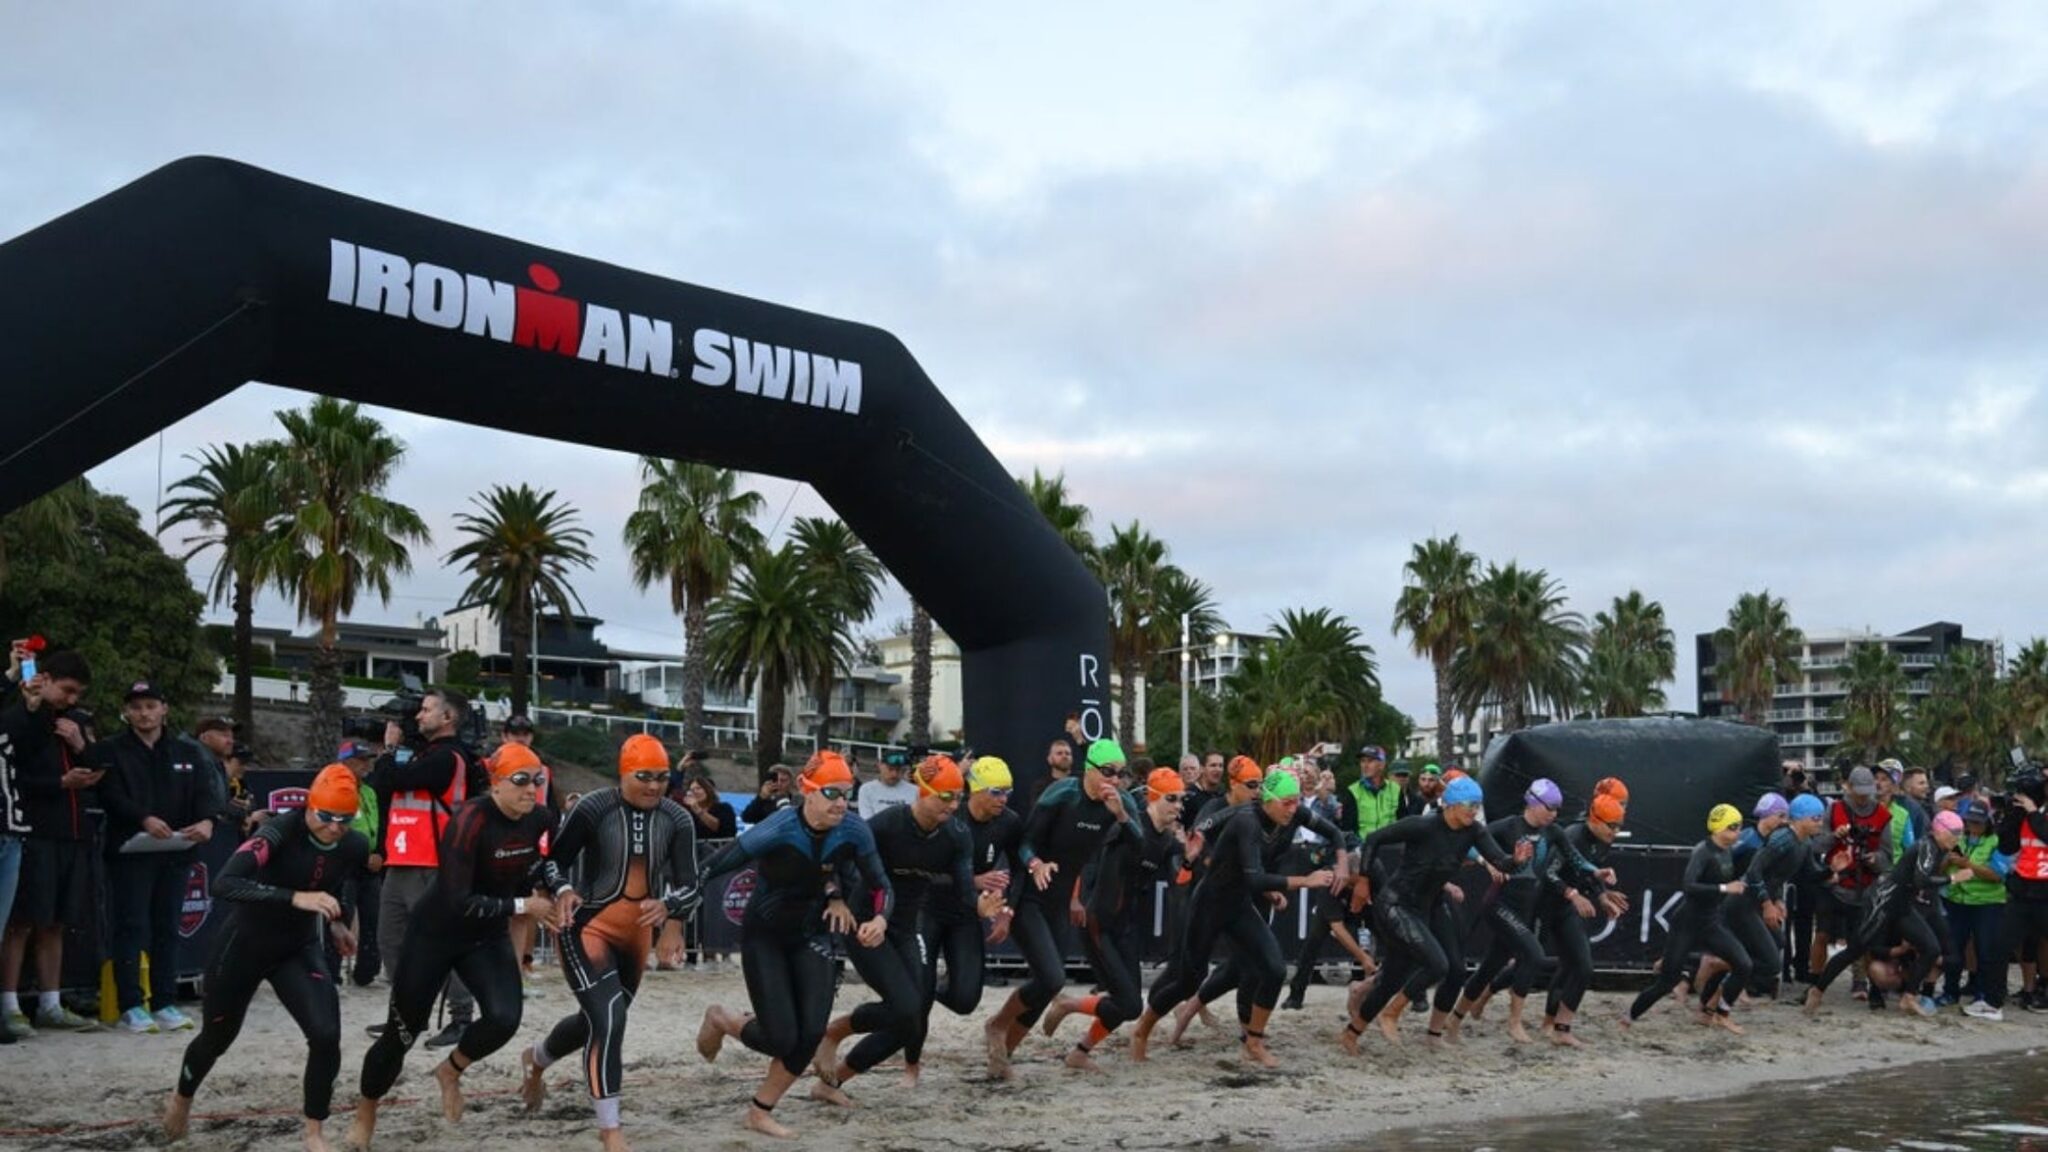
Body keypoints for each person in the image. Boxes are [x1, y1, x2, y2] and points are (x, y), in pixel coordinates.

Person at [349, 742, 562, 1149]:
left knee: (504, 1018)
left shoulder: (539, 818)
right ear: (496, 784)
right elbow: (456, 899)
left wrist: (559, 888)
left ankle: (450, 1070)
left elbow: (536, 865)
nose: (530, 789)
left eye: (537, 780)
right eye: (520, 780)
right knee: (403, 1032)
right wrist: (524, 904)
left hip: (484, 935)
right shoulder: (470, 818)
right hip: (436, 933)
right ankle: (366, 1109)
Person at [164, 764, 369, 1152]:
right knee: (217, 1036)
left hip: (296, 947)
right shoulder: (279, 831)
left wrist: (339, 921)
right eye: (326, 818)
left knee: (326, 1036)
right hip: (245, 944)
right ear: (310, 806)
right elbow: (225, 883)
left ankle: (314, 1132)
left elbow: (339, 879)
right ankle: (182, 1097)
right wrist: (294, 898)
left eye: (345, 820)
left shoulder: (353, 844)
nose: (335, 828)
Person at [693, 750, 890, 1139]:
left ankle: (759, 1110)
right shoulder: (779, 827)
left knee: (810, 1034)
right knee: (782, 1037)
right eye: (831, 793)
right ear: (808, 791)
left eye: (846, 794)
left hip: (811, 934)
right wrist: (672, 907)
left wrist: (879, 918)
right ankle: (722, 1019)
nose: (840, 803)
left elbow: (880, 883)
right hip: (765, 935)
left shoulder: (854, 830)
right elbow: (717, 865)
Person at [522, 735, 701, 1152]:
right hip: (588, 927)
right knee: (609, 1018)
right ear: (623, 774)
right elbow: (550, 864)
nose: (654, 787)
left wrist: (673, 917)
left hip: (637, 934)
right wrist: (564, 889)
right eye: (644, 777)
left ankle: (537, 1058)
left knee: (596, 1020)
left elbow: (692, 882)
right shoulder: (594, 807)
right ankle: (611, 1133)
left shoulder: (678, 818)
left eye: (662, 778)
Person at [1137, 767, 1345, 1066]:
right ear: (1268, 800)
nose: (1293, 808)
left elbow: (1335, 833)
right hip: (1209, 904)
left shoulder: (1293, 813)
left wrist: (1342, 865)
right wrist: (1305, 880)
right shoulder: (1246, 821)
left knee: (1273, 969)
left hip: (1239, 905)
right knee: (1187, 980)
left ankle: (1253, 1042)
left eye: (1296, 801)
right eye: (1287, 802)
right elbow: (1255, 879)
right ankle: (1142, 1031)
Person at [814, 755, 986, 1095]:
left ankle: (834, 1083)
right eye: (946, 796)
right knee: (905, 1007)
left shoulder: (956, 836)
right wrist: (835, 899)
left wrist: (980, 905)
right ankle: (833, 1032)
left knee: (912, 1018)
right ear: (922, 792)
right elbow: (829, 860)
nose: (953, 806)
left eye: (959, 797)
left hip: (906, 926)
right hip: (865, 924)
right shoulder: (886, 825)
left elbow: (966, 890)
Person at [981, 738, 1137, 1078]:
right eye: (1108, 772)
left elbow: (1139, 845)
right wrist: (1036, 863)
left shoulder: (1120, 802)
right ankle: (997, 1025)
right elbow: (1025, 841)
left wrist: (1121, 816)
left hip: (1059, 900)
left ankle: (1004, 1054)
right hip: (1032, 896)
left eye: (1120, 773)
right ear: (1090, 770)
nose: (1114, 779)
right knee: (1052, 976)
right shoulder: (1062, 794)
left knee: (1047, 985)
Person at [1340, 775, 1511, 1051]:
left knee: (1397, 975)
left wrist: (1517, 859)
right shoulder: (1424, 825)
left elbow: (1501, 861)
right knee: (1437, 964)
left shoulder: (1474, 831)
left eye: (1478, 805)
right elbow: (1373, 839)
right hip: (1395, 904)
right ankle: (1391, 1013)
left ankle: (1351, 1033)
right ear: (1452, 805)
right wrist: (1362, 881)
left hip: (1426, 906)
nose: (1474, 810)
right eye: (1469, 804)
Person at [95, 679, 227, 1034]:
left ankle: (165, 1001)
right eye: (136, 707)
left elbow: (206, 793)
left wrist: (207, 820)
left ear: (164, 709)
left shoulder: (186, 752)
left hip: (176, 851)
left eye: (150, 706)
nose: (144, 713)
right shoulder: (112, 749)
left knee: (167, 927)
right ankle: (131, 1004)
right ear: (125, 712)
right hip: (130, 852)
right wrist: (142, 818)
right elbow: (109, 794)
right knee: (131, 926)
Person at [1042, 766, 1185, 1068]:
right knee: (1129, 1002)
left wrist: (1192, 857)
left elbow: (1181, 879)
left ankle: (1079, 1052)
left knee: (1129, 1004)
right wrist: (1075, 898)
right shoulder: (1126, 825)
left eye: (1181, 800)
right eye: (1172, 799)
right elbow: (1084, 857)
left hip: (1126, 927)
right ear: (1154, 798)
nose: (1178, 807)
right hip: (1098, 922)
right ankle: (1068, 1005)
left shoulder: (1169, 841)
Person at [1450, 778, 1605, 1043]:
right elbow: (1471, 841)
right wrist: (1483, 862)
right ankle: (1514, 1022)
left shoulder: (1553, 831)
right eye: (1551, 807)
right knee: (1533, 954)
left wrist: (1596, 871)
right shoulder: (1509, 826)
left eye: (1558, 809)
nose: (1554, 814)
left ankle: (1453, 1021)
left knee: (1491, 966)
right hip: (1499, 904)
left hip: (1524, 908)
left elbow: (1576, 859)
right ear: (1533, 803)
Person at [371, 688, 484, 1048]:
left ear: (448, 718)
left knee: (441, 945)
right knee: (390, 941)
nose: (418, 716)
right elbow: (382, 788)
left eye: (426, 709)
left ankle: (461, 1017)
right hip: (401, 861)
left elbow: (394, 779)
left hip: (435, 864)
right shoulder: (422, 754)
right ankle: (407, 1015)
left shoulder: (448, 757)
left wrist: (389, 749)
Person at [1, 649, 97, 1039]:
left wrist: (82, 747)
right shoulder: (21, 721)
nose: (71, 700)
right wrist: (58, 784)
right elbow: (12, 775)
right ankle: (9, 1006)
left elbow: (102, 766)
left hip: (71, 833)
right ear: (46, 679)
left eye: (77, 694)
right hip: (30, 831)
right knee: (21, 922)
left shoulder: (75, 722)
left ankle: (51, 1003)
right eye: (68, 691)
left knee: (55, 921)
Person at [1804, 810, 1959, 1018]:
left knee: (1931, 948)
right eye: (1954, 832)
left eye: (1960, 833)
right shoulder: (1926, 846)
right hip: (1883, 902)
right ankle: (1818, 989)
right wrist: (1953, 879)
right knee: (1855, 950)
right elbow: (1921, 880)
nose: (1958, 837)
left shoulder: (1940, 849)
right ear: (1940, 831)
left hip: (1903, 906)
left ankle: (1909, 997)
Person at [1623, 805, 1753, 1034]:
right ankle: (1629, 1016)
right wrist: (1725, 888)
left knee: (1744, 964)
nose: (1738, 832)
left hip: (1710, 923)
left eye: (1740, 827)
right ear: (1718, 828)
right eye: (1734, 827)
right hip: (1687, 923)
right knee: (1667, 982)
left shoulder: (1727, 851)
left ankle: (1722, 1014)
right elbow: (1689, 886)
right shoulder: (1703, 851)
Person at [924, 754, 1024, 1045]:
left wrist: (1007, 912)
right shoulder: (950, 817)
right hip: (930, 908)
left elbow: (1020, 870)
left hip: (967, 912)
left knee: (965, 1000)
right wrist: (973, 881)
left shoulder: (1009, 822)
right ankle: (911, 1064)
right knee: (916, 995)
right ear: (974, 790)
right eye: (996, 791)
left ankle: (931, 987)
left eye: (1008, 792)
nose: (1003, 799)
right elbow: (925, 871)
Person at [1697, 793, 1821, 1008]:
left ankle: (1720, 985)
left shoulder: (1804, 843)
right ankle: (1720, 968)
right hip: (1742, 901)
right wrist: (1766, 903)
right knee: (1770, 961)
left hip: (1754, 901)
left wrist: (1834, 871)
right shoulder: (1780, 839)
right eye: (1816, 818)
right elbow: (1753, 871)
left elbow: (1807, 875)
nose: (1820, 823)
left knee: (1778, 943)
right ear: (1800, 818)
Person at [1816, 766, 1892, 1002]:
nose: (1862, 797)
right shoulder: (1834, 809)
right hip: (1834, 883)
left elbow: (1888, 856)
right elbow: (1818, 846)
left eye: (1866, 792)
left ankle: (1863, 983)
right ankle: (1814, 981)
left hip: (1866, 884)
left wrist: (1874, 859)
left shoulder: (1881, 814)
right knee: (1821, 934)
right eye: (1858, 791)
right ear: (1848, 787)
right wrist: (1835, 836)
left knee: (1863, 938)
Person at [1942, 796, 2010, 1019]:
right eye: (1970, 821)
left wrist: (1967, 865)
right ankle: (1950, 991)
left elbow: (1997, 875)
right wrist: (1949, 858)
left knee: (1985, 950)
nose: (1973, 826)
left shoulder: (1997, 841)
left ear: (1987, 821)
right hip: (1957, 901)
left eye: (1978, 822)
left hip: (1986, 904)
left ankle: (1984, 994)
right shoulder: (1958, 838)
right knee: (1953, 948)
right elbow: (1939, 868)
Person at [333, 741, 384, 987]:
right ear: (345, 762)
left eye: (369, 760)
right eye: (362, 760)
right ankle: (331, 971)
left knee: (374, 919)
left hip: (371, 866)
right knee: (340, 917)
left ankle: (367, 971)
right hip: (345, 865)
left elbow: (378, 826)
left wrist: (380, 853)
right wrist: (361, 855)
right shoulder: (334, 788)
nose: (367, 765)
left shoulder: (369, 792)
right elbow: (332, 830)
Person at [674, 770, 736, 968]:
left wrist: (699, 810)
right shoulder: (685, 813)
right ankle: (692, 956)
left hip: (718, 862)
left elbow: (722, 829)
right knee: (694, 907)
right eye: (691, 789)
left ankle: (717, 954)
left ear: (707, 789)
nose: (695, 792)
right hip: (693, 863)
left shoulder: (723, 808)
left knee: (717, 906)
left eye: (698, 788)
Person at [856, 751, 919, 821]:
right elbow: (866, 819)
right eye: (890, 769)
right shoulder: (866, 790)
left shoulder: (915, 791)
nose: (894, 774)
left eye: (898, 770)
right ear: (879, 765)